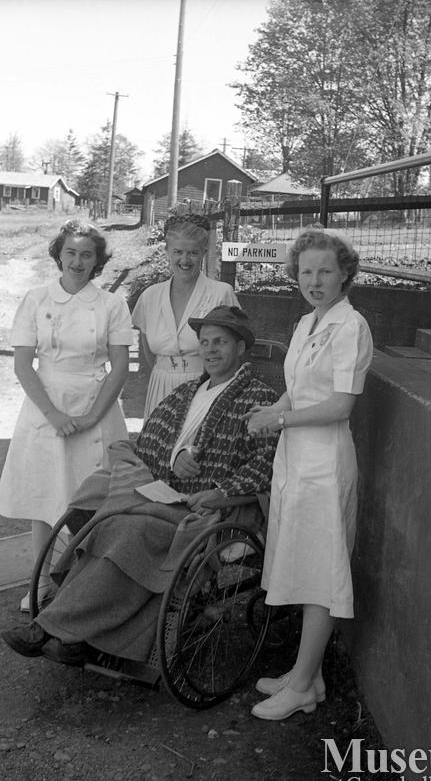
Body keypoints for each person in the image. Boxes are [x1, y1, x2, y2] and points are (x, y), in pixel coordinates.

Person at [2, 306, 279, 666]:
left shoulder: (260, 399)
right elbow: (149, 442)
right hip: (163, 489)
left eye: (221, 342)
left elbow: (266, 462)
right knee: (98, 509)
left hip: (204, 505)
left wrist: (221, 492)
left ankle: (51, 625)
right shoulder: (185, 394)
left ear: (241, 348)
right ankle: (84, 637)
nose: (210, 350)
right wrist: (173, 456)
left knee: (126, 532)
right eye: (205, 342)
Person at [245, 227, 374, 721]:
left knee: (321, 575)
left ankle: (299, 686)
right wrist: (273, 406)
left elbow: (340, 406)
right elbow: (298, 391)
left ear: (345, 274)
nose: (315, 280)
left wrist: (279, 420)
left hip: (325, 463)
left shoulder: (351, 326)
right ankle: (309, 674)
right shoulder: (305, 323)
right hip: (296, 459)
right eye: (306, 271)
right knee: (303, 563)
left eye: (325, 271)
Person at [0, 219, 133, 612]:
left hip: (98, 406)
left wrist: (93, 416)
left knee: (91, 499)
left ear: (97, 262)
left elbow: (121, 367)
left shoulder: (111, 304)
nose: (78, 261)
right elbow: (24, 365)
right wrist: (54, 415)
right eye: (71, 252)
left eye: (86, 255)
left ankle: (84, 583)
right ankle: (40, 582)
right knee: (44, 497)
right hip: (45, 410)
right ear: (59, 255)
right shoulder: (36, 300)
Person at [132, 212, 239, 419]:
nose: (185, 260)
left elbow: (234, 353)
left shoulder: (221, 293)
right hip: (160, 387)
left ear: (204, 252)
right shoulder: (150, 296)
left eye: (193, 253)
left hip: (205, 386)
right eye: (178, 252)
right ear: (167, 252)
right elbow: (148, 353)